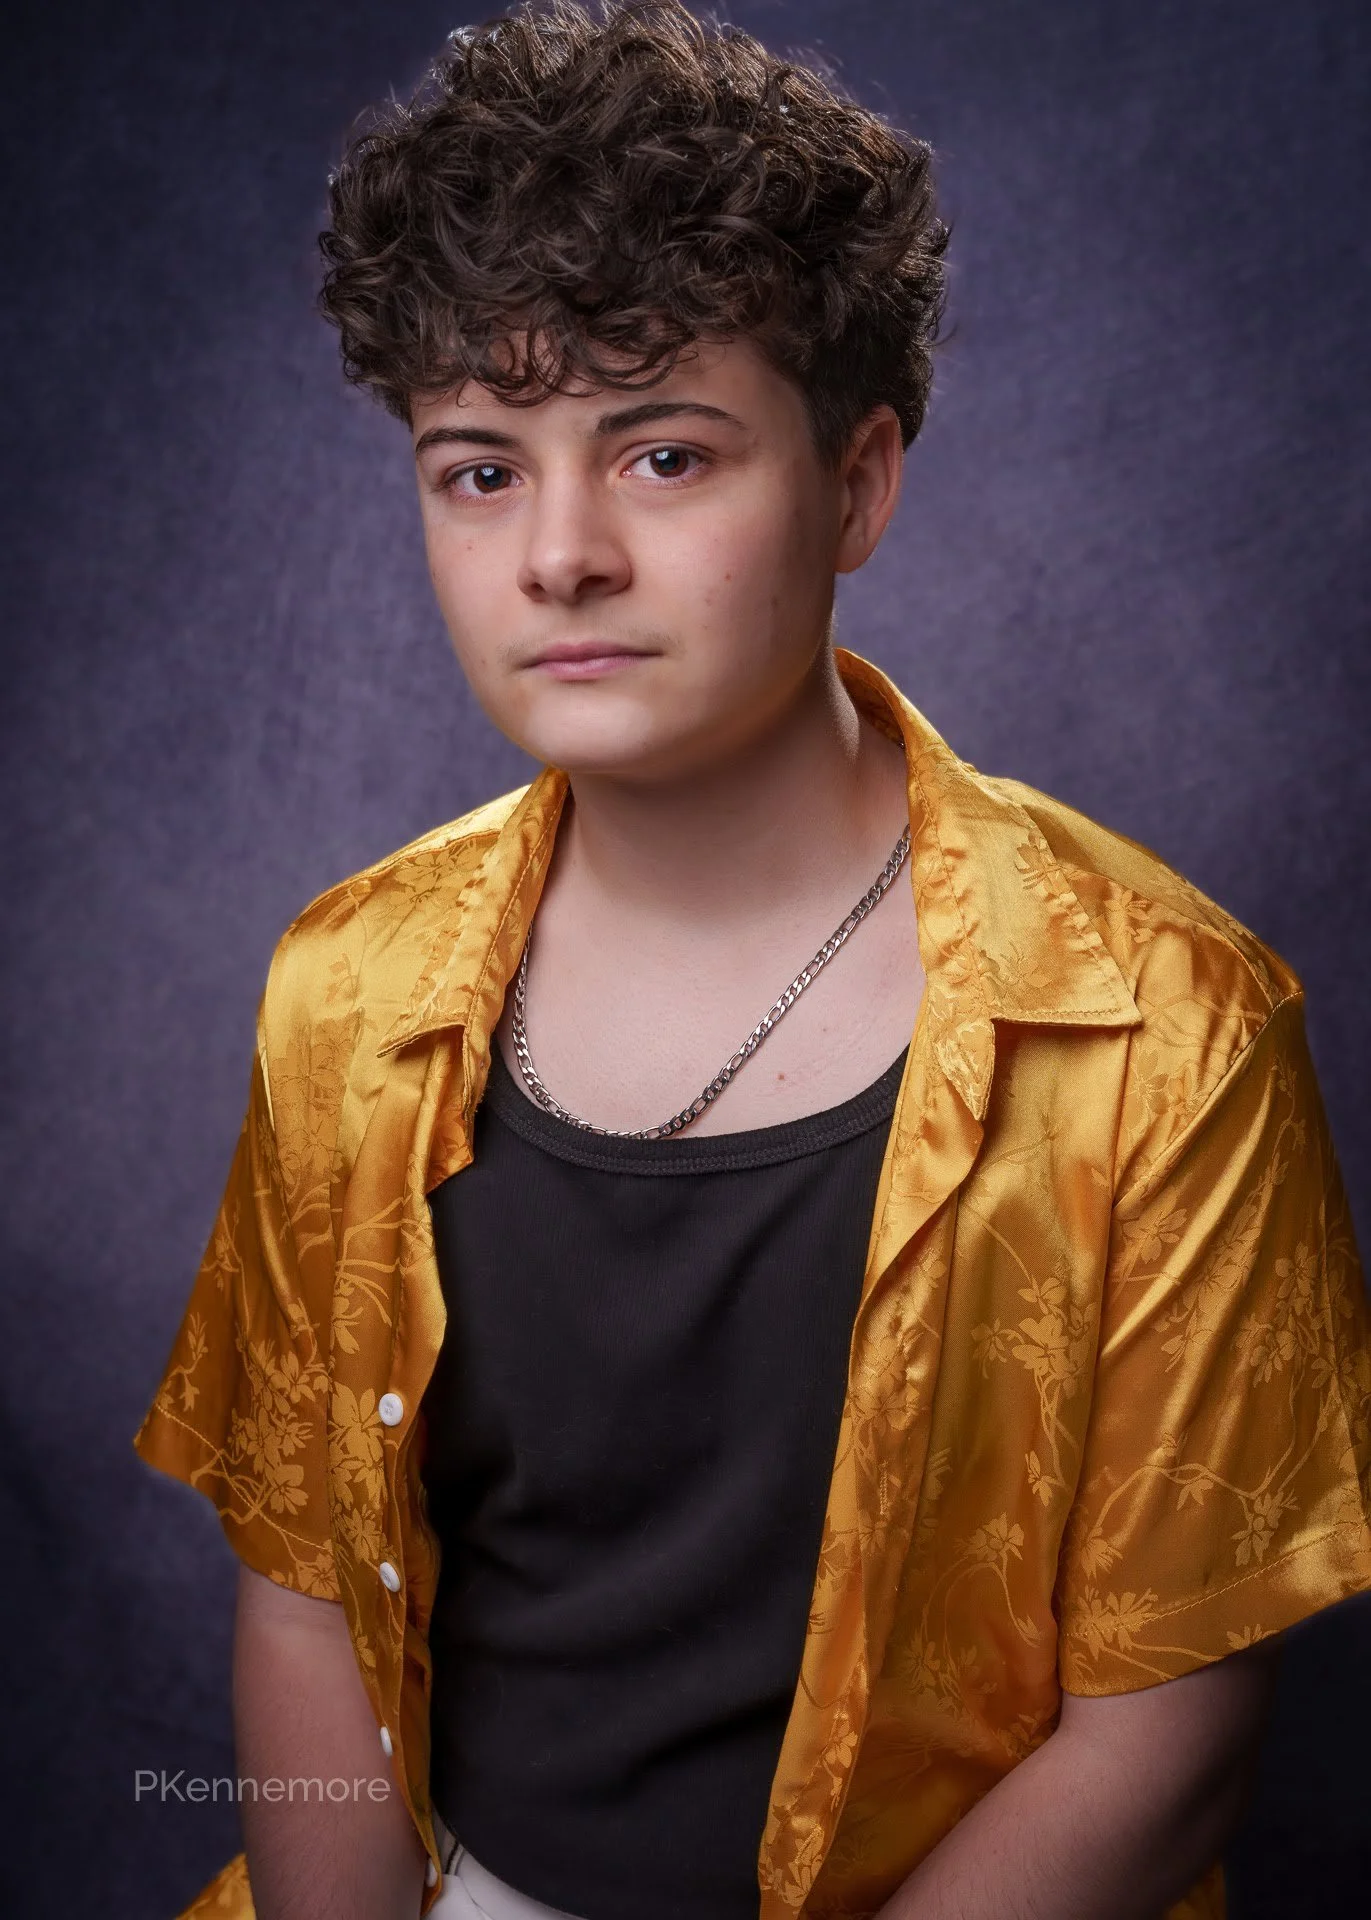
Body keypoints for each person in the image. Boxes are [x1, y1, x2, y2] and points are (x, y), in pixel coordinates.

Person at [132, 4, 1371, 1918]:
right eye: (479, 468)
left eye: (663, 455)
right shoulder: (345, 986)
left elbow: (1167, 1727)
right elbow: (305, 1608)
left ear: (856, 482)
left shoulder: (1167, 1025)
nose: (558, 555)